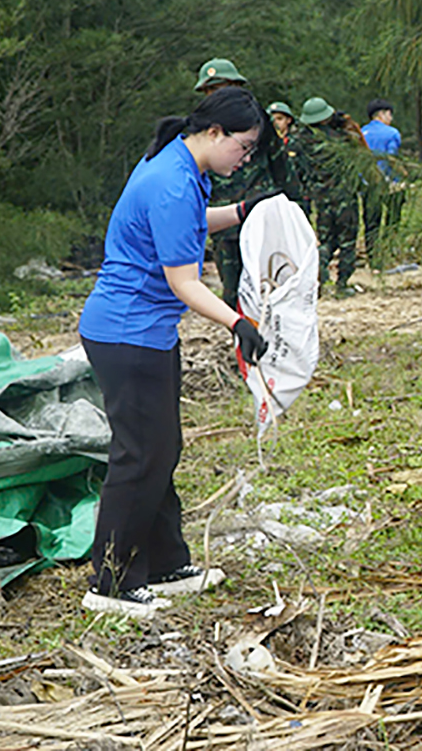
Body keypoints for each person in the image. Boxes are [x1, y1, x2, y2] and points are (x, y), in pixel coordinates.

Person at [77, 86, 273, 618]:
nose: (245, 157)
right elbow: (184, 280)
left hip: (150, 332)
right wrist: (238, 322)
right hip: (126, 333)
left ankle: (164, 564)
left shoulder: (184, 170)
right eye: (244, 146)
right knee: (140, 455)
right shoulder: (170, 181)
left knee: (162, 448)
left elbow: (184, 226)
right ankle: (110, 582)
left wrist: (241, 211)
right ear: (214, 133)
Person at [194, 58, 288, 310]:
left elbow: (281, 167)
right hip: (224, 220)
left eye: (222, 88)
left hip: (260, 214)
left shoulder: (258, 122)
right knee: (232, 290)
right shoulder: (201, 127)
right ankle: (242, 341)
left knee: (268, 284)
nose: (216, 95)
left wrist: (293, 207)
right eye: (210, 91)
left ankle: (268, 343)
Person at [294, 97, 363, 297]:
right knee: (347, 240)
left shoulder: (302, 140)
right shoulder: (340, 137)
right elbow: (359, 151)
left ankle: (320, 279)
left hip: (321, 197)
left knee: (325, 240)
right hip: (345, 195)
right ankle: (342, 284)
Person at [361, 98, 403, 262]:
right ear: (383, 114)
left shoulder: (361, 132)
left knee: (371, 220)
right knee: (392, 218)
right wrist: (404, 174)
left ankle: (372, 256)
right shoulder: (392, 133)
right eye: (389, 115)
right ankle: (389, 250)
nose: (391, 119)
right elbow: (391, 158)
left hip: (367, 183)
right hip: (389, 182)